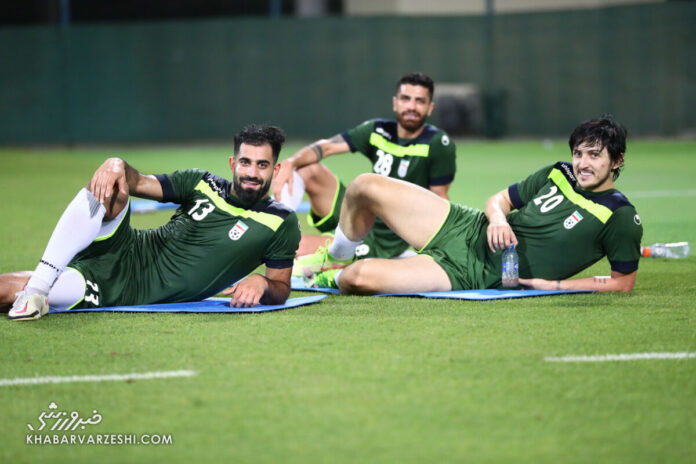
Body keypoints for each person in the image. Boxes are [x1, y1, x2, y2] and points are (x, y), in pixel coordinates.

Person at [302, 116, 643, 294]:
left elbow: (622, 282)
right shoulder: (559, 172)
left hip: (473, 273)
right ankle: (337, 254)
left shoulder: (620, 215)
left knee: (358, 278)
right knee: (365, 185)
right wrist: (498, 219)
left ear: (617, 161)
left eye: (594, 155)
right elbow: (499, 200)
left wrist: (554, 286)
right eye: (579, 153)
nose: (583, 163)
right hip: (466, 226)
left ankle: (336, 274)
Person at [1, 125, 300, 321]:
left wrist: (263, 283)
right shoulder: (201, 182)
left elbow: (281, 288)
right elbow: (138, 182)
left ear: (275, 169)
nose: (252, 173)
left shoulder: (281, 221)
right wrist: (116, 163)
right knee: (112, 183)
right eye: (246, 162)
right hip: (124, 246)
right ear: (233, 164)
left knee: (3, 290)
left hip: (123, 288)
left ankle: (35, 290)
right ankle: (37, 290)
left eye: (262, 165)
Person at [272, 72, 456, 263]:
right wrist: (291, 162)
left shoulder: (438, 143)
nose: (411, 106)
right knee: (304, 168)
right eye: (405, 99)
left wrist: (440, 251)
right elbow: (327, 146)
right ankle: (276, 225)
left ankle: (338, 251)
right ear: (395, 103)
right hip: (358, 209)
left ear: (430, 108)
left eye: (420, 101)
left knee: (293, 247)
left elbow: (439, 199)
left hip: (383, 236)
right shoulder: (377, 130)